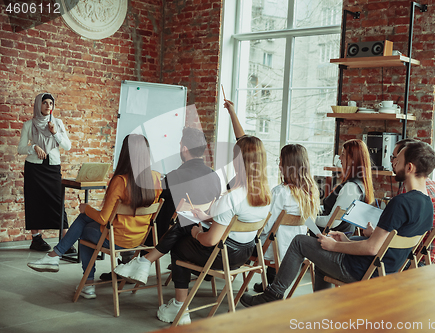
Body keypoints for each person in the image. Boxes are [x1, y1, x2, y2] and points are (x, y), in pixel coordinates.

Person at [240, 140, 435, 307]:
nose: (393, 164)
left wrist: (336, 245)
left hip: (360, 269)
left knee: (300, 241)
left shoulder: (400, 202)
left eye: (397, 161)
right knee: (321, 254)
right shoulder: (428, 206)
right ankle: (323, 303)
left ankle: (273, 294)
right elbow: (383, 244)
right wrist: (346, 239)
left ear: (409, 168)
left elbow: (372, 247)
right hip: (385, 271)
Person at [113, 136, 272, 325]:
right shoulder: (266, 197)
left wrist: (197, 232)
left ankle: (176, 302)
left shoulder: (231, 197)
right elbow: (233, 222)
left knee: (180, 243)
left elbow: (210, 240)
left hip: (222, 255)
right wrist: (206, 217)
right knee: (186, 222)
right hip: (243, 254)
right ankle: (145, 265)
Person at [27, 134, 163, 299]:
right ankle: (56, 257)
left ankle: (82, 279)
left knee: (84, 229)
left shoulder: (120, 181)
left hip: (117, 239)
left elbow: (104, 219)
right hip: (139, 240)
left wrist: (86, 208)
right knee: (86, 223)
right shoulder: (156, 178)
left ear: (125, 154)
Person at [99, 127, 221, 282]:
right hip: (201, 232)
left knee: (135, 217)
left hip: (163, 234)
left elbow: (151, 198)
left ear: (184, 149)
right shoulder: (214, 175)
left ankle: (128, 266)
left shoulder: (175, 176)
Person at [253, 143, 321, 293]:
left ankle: (268, 283)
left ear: (287, 166)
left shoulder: (279, 192)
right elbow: (311, 222)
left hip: (274, 250)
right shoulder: (310, 193)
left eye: (280, 162)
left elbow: (266, 227)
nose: (279, 166)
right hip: (295, 252)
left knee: (247, 240)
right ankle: (270, 283)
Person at [18, 93, 72, 252]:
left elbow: (67, 146)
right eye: (45, 103)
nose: (49, 106)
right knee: (34, 201)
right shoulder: (29, 125)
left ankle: (65, 241)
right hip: (34, 167)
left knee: (58, 202)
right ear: (38, 105)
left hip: (53, 167)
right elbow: (20, 148)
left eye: (51, 103)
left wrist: (55, 132)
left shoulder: (58, 123)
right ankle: (36, 239)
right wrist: (33, 147)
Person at [384, 138, 435, 264]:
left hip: (418, 259)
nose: (393, 162)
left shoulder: (411, 193)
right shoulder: (433, 186)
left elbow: (397, 235)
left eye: (396, 158)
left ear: (409, 164)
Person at [316, 139, 375, 233]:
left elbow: (332, 222)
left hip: (333, 239)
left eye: (343, 154)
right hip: (339, 236)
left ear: (353, 160)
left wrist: (308, 218)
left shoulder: (351, 187)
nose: (339, 158)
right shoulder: (360, 185)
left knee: (297, 239)